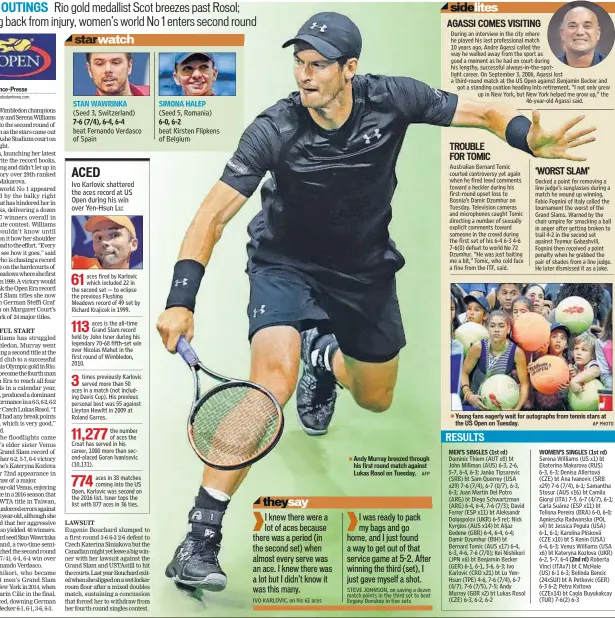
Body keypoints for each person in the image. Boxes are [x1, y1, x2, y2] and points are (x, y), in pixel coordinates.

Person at [155, 12, 596, 590]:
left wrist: (525, 138)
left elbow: (484, 112)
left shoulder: (393, 99)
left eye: (318, 65)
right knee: (270, 386)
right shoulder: (275, 128)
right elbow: (212, 215)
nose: (305, 76)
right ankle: (200, 536)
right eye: (299, 63)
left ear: (349, 69)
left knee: (376, 398)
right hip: (285, 264)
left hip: (364, 272)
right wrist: (180, 297)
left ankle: (324, 360)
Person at [460, 310, 529, 411]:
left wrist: (516, 410)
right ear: (487, 328)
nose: (496, 330)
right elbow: (463, 372)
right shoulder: (478, 347)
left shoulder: (516, 353)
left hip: (500, 406)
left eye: (501, 326)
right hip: (475, 402)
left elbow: (525, 384)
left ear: (508, 329)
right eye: (492, 326)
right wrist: (468, 395)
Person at [71, 215, 139, 270]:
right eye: (99, 237)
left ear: (133, 244)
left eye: (114, 235)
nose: (103, 242)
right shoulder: (79, 266)